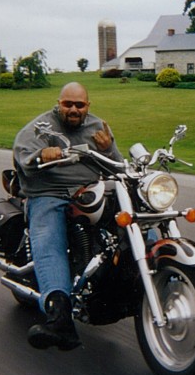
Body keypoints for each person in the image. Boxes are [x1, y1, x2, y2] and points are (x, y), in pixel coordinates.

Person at [13, 82, 123, 351]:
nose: (74, 109)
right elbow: (22, 152)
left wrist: (108, 149)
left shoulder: (98, 127)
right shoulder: (42, 127)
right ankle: (59, 317)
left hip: (88, 191)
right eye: (68, 104)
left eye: (79, 105)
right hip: (49, 192)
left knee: (133, 213)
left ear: (88, 106)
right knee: (48, 237)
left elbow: (118, 165)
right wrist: (42, 154)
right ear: (59, 103)